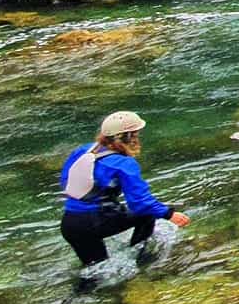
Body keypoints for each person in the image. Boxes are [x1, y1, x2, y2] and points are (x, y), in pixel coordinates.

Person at [59, 111, 188, 267]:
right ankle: (142, 261)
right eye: (136, 135)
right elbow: (140, 203)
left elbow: (67, 181)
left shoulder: (84, 150)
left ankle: (80, 292)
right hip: (95, 222)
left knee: (94, 273)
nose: (138, 139)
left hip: (70, 224)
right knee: (146, 215)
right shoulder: (124, 163)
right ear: (127, 137)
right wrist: (169, 214)